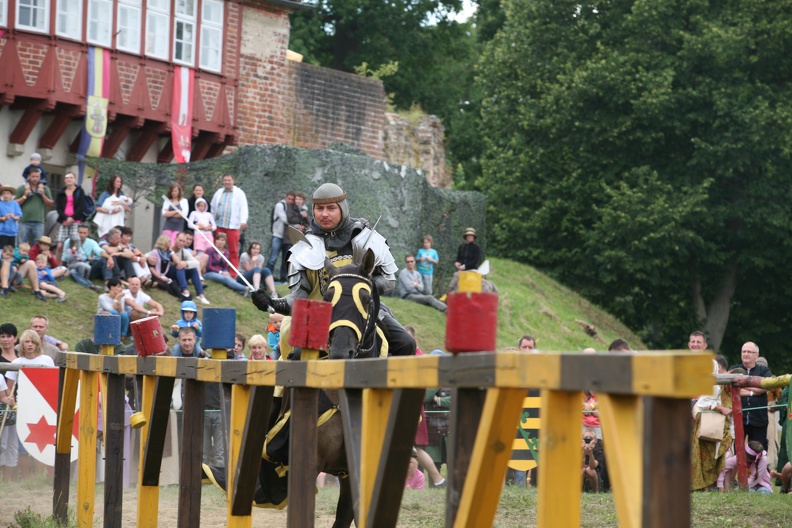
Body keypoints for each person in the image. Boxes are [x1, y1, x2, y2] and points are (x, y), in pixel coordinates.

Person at [252, 182, 415, 357]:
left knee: (405, 344)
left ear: (342, 209)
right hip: (318, 312)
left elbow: (388, 280)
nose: (324, 214)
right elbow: (298, 298)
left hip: (362, 307)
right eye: (319, 208)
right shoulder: (304, 247)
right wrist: (272, 303)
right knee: (297, 357)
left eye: (331, 208)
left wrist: (358, 289)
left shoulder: (365, 237)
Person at [691, 355, 732, 491]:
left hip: (716, 425)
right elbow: (703, 403)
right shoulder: (712, 384)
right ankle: (708, 487)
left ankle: (716, 487)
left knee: (718, 456)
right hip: (710, 425)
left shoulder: (717, 384)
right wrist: (720, 408)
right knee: (710, 457)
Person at [729, 341, 772, 450]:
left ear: (756, 355)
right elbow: (731, 390)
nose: (746, 354)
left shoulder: (764, 371)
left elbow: (765, 387)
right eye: (744, 351)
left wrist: (742, 385)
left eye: (749, 352)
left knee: (758, 452)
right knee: (736, 452)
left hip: (759, 419)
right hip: (739, 419)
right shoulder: (735, 370)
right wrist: (754, 390)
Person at [211, 174, 248, 278]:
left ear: (233, 180)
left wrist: (243, 221)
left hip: (233, 226)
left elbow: (243, 207)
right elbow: (213, 207)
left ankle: (233, 274)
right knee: (217, 248)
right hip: (219, 225)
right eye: (225, 180)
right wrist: (212, 221)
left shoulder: (239, 193)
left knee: (233, 250)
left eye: (229, 180)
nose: (227, 182)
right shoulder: (219, 192)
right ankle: (215, 269)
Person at [5, 330, 56, 396]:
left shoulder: (47, 360)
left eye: (33, 342)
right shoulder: (16, 362)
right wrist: (14, 405)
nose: (30, 344)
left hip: (43, 400)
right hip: (22, 401)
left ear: (37, 344)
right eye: (27, 341)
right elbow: (9, 388)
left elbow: (53, 384)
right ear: (22, 344)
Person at [54, 172, 89, 263]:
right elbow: (58, 208)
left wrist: (72, 218)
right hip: (64, 221)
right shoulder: (61, 192)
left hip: (76, 220)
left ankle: (73, 264)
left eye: (71, 177)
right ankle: (57, 265)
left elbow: (81, 207)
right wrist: (66, 218)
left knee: (74, 244)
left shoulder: (79, 191)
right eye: (67, 178)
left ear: (74, 179)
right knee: (60, 245)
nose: (69, 179)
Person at [15, 168, 54, 246]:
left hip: (39, 221)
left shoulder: (44, 188)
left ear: (40, 177)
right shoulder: (22, 188)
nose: (35, 178)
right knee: (21, 244)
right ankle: (20, 258)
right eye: (33, 176)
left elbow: (50, 203)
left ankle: (35, 258)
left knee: (38, 245)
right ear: (29, 176)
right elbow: (15, 204)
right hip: (24, 220)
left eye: (37, 176)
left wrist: (42, 194)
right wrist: (25, 196)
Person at [0, 323, 19, 480]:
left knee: (13, 444)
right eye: (2, 336)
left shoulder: (21, 357)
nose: (5, 339)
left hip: (19, 404)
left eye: (8, 336)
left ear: (15, 338)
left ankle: (11, 479)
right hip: (4, 404)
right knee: (2, 443)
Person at [169, 232, 210, 304]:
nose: (181, 243)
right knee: (180, 266)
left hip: (179, 275)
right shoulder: (168, 248)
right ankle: (185, 291)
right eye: (180, 240)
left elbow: (197, 263)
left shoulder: (184, 252)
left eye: (183, 241)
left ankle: (200, 295)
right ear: (175, 239)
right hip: (169, 274)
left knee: (192, 269)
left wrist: (186, 263)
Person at [266, 191, 294, 282]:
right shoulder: (280, 205)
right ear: (286, 198)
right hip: (277, 235)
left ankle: (283, 279)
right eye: (289, 199)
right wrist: (296, 224)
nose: (290, 201)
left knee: (285, 260)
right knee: (273, 258)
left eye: (292, 199)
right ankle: (267, 277)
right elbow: (284, 218)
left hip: (288, 237)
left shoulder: (294, 208)